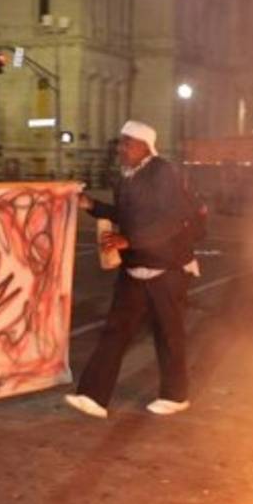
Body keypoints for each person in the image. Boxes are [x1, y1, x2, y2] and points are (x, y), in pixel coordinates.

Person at [64, 120, 205, 419]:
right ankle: (93, 396)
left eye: (127, 143)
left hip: (168, 268)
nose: (121, 148)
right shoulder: (127, 176)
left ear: (144, 146)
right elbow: (125, 215)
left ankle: (175, 396)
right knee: (115, 330)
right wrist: (93, 206)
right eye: (121, 142)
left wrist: (130, 239)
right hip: (136, 265)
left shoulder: (163, 172)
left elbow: (173, 219)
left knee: (169, 334)